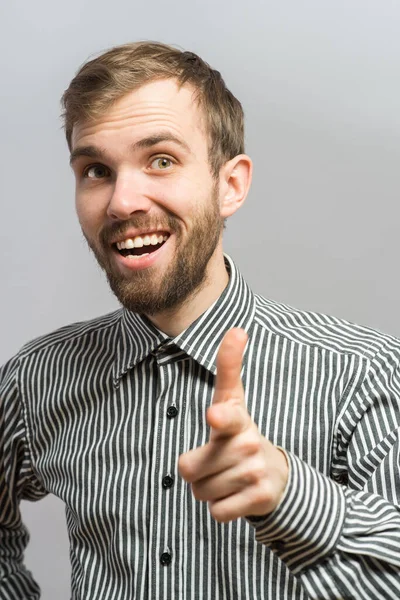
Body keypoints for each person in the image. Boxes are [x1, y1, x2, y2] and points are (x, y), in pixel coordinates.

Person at [0, 41, 399, 600]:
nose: (121, 202)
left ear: (229, 185)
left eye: (160, 160)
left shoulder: (366, 373)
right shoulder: (34, 377)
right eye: (95, 170)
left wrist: (292, 497)